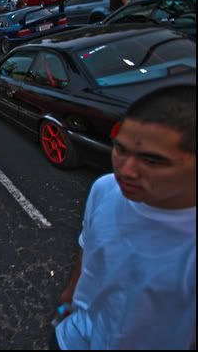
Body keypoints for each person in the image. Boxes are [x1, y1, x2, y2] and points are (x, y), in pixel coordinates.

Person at [53, 85, 196, 349]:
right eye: (120, 149)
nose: (125, 171)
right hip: (72, 337)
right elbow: (89, 246)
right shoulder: (105, 187)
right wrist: (70, 294)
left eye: (152, 161)